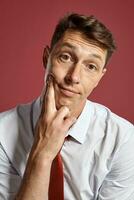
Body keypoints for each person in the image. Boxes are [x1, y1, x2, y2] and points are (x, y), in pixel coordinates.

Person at [0, 13, 134, 200]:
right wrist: (43, 154)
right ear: (46, 58)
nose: (74, 77)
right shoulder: (2, 133)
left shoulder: (122, 139)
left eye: (91, 66)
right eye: (66, 57)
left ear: (99, 78)